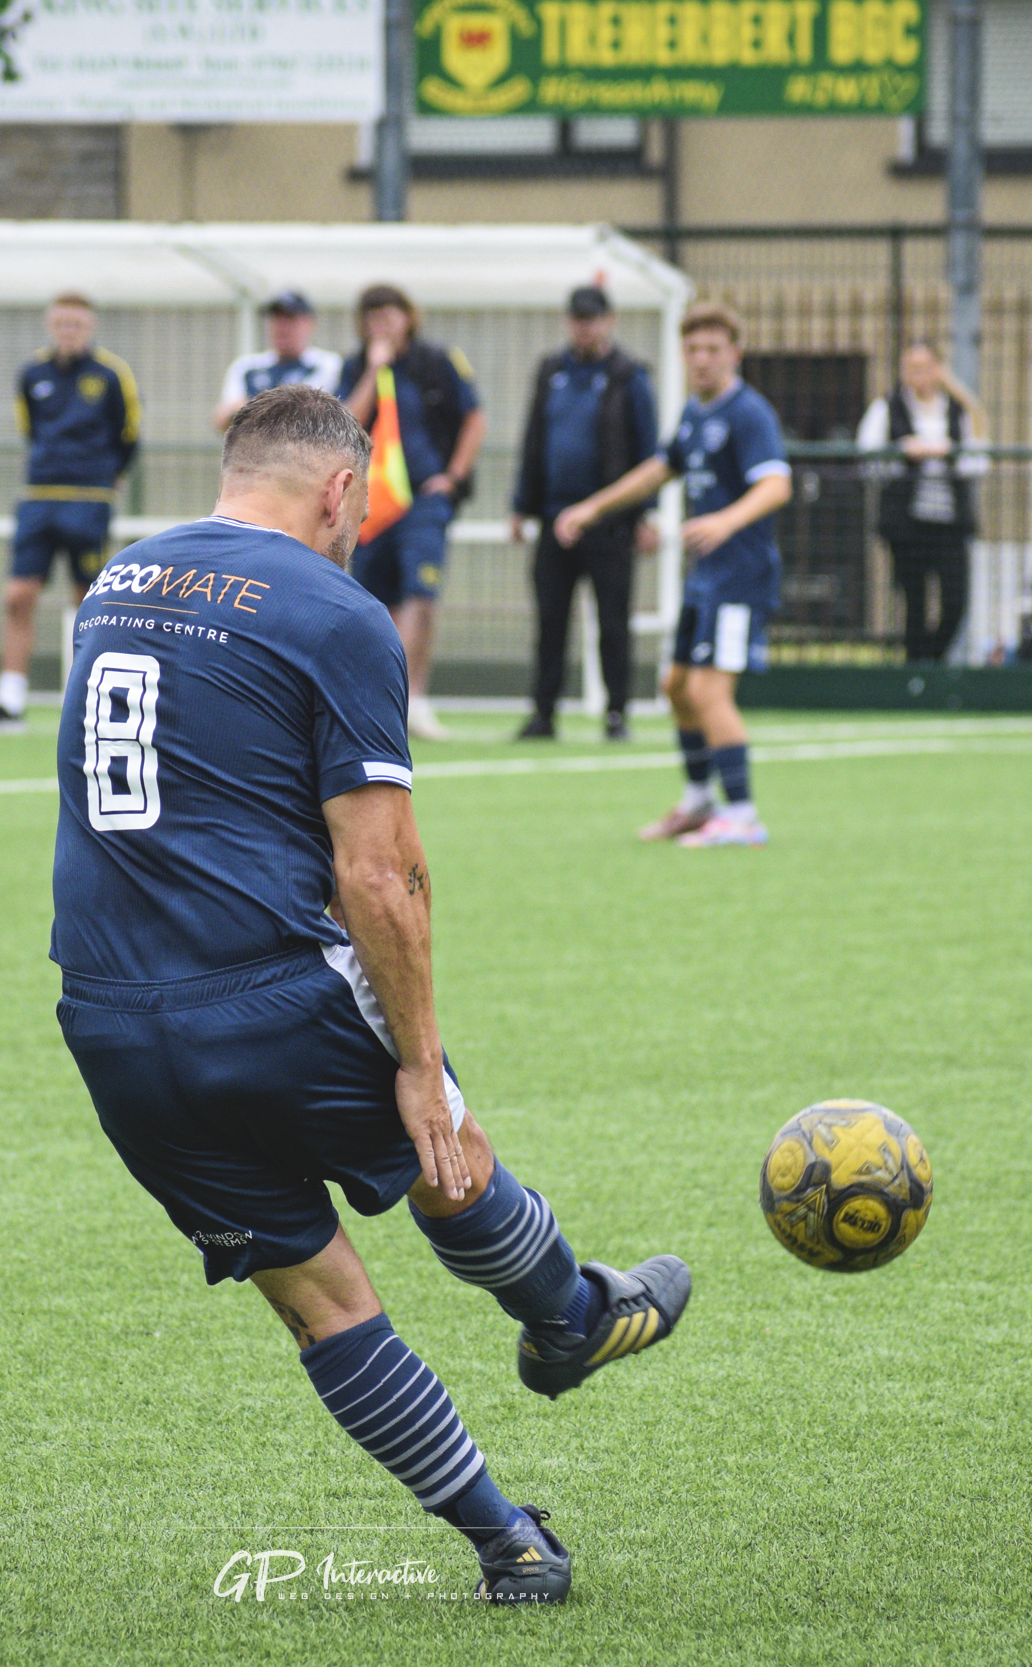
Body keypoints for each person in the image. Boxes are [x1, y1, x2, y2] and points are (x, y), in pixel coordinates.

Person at [50, 384, 690, 1603]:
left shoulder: (115, 581)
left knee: (320, 1301)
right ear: (342, 488)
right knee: (442, 1135)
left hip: (108, 1021)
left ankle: (510, 1541)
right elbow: (381, 871)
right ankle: (569, 1314)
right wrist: (419, 1059)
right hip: (269, 995)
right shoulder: (334, 607)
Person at [554, 302, 791, 848]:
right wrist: (594, 508)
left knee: (709, 693)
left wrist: (725, 522)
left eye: (713, 349)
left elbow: (777, 485)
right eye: (693, 349)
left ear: (735, 353)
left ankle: (744, 815)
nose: (701, 360)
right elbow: (659, 471)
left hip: (741, 577)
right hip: (706, 577)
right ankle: (699, 801)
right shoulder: (694, 412)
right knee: (677, 687)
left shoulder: (748, 413)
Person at [0, 292, 141, 734]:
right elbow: (29, 429)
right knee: (18, 596)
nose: (69, 331)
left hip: (89, 499)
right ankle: (10, 702)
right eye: (62, 323)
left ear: (90, 327)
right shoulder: (32, 373)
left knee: (89, 603)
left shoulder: (111, 375)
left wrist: (105, 479)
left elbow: (129, 435)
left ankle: (89, 701)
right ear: (50, 325)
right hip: (39, 497)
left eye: (77, 324)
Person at [336, 284, 486, 744]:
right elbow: (345, 422)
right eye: (372, 314)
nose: (381, 322)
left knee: (421, 592)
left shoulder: (436, 361)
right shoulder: (354, 365)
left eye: (390, 313)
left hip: (423, 499)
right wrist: (374, 369)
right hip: (374, 507)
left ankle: (414, 699)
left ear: (408, 317)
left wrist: (454, 475)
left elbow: (474, 416)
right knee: (374, 602)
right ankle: (377, 700)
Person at [509, 285, 658, 742]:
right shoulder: (551, 370)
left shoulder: (629, 375)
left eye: (592, 318)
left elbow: (649, 451)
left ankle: (616, 715)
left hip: (610, 523)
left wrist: (646, 513)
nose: (584, 327)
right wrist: (521, 505)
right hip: (555, 518)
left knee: (613, 622)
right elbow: (534, 439)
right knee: (550, 622)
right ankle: (543, 714)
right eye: (577, 318)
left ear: (609, 321)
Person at [857, 341, 988, 664]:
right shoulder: (886, 408)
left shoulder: (959, 410)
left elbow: (980, 461)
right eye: (910, 369)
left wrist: (949, 453)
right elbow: (867, 459)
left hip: (950, 522)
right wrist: (902, 453)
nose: (916, 376)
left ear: (938, 370)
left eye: (923, 368)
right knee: (914, 600)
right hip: (907, 524)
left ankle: (932, 658)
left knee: (955, 601)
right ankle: (915, 667)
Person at [211, 290, 343, 432]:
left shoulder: (326, 364)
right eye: (275, 318)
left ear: (309, 324)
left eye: (290, 318)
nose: (281, 326)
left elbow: (309, 413)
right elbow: (222, 419)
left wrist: (249, 408)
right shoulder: (247, 366)